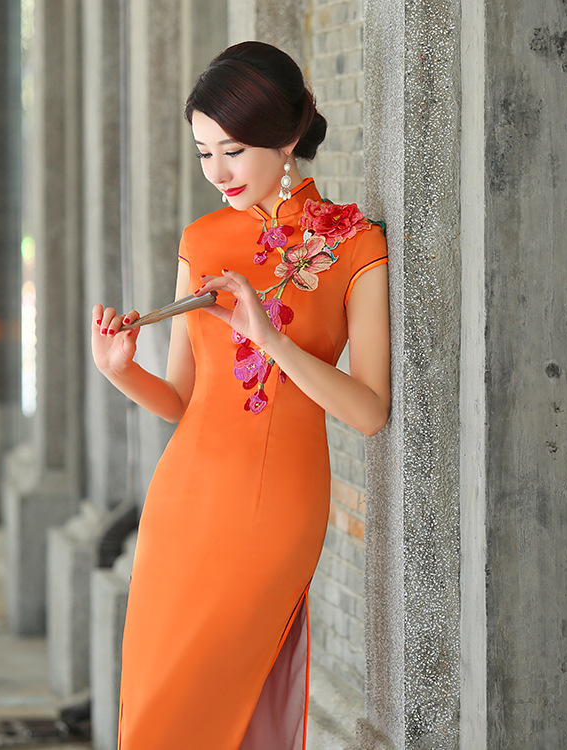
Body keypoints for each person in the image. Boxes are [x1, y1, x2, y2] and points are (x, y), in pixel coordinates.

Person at [91, 40, 390, 750]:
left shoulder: (355, 244)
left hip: (275, 508)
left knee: (198, 701)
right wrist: (119, 371)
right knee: (154, 705)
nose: (217, 172)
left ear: (286, 138)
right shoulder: (202, 239)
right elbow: (181, 399)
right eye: (204, 153)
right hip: (183, 501)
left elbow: (370, 412)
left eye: (233, 151)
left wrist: (272, 339)